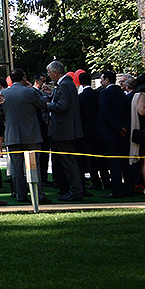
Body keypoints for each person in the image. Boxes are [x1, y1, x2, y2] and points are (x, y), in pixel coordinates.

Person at [2, 68, 48, 204]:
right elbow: (42, 104)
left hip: (12, 134)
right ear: (23, 77)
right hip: (31, 134)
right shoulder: (30, 92)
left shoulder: (4, 93)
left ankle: (20, 195)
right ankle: (38, 195)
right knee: (34, 167)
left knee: (16, 168)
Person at [46, 61, 85, 202]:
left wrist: (47, 105)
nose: (49, 75)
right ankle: (74, 190)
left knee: (69, 163)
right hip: (68, 130)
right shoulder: (67, 84)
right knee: (69, 162)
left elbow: (62, 105)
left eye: (49, 72)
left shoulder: (64, 85)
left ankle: (75, 191)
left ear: (55, 73)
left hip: (65, 130)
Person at [97, 70, 131, 198]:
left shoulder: (104, 93)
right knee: (124, 162)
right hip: (123, 133)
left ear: (107, 80)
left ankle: (117, 189)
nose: (101, 82)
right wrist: (123, 128)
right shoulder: (122, 93)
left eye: (102, 79)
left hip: (110, 134)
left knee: (114, 163)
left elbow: (106, 113)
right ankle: (128, 188)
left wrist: (118, 128)